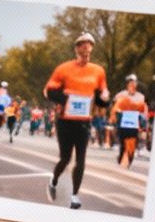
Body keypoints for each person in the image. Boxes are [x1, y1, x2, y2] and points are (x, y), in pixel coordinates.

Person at [44, 31, 110, 210]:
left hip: (83, 121)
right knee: (65, 158)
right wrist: (68, 99)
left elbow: (100, 96)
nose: (85, 47)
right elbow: (49, 91)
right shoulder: (63, 68)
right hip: (65, 120)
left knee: (81, 159)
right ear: (76, 48)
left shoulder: (98, 71)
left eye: (89, 44)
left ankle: (74, 195)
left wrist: (104, 98)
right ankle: (54, 180)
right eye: (82, 44)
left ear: (92, 49)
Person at [113, 75, 149, 170]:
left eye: (134, 83)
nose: (132, 85)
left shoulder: (140, 96)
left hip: (134, 124)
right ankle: (121, 158)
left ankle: (129, 160)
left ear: (136, 85)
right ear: (127, 85)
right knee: (123, 143)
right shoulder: (122, 94)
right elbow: (116, 102)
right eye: (130, 83)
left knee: (132, 143)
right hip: (123, 123)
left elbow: (141, 108)